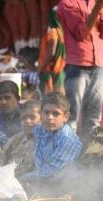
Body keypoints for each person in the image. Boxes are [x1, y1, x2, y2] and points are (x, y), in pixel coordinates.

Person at [57, 0, 103, 138]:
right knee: (72, 116)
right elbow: (81, 34)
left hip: (99, 63)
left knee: (93, 117)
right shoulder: (67, 3)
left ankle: (90, 157)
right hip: (77, 66)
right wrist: (98, 7)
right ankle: (67, 156)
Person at [21, 92, 83, 184]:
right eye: (46, 113)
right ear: (41, 114)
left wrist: (22, 178)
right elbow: (38, 162)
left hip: (66, 185)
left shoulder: (67, 140)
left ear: (65, 117)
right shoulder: (40, 129)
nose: (49, 117)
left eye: (55, 114)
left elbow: (51, 173)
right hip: (42, 180)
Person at [37, 7, 66, 96]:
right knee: (60, 96)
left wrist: (41, 67)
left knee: (50, 97)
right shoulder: (62, 32)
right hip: (60, 68)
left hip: (50, 69)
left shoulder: (53, 31)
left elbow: (51, 52)